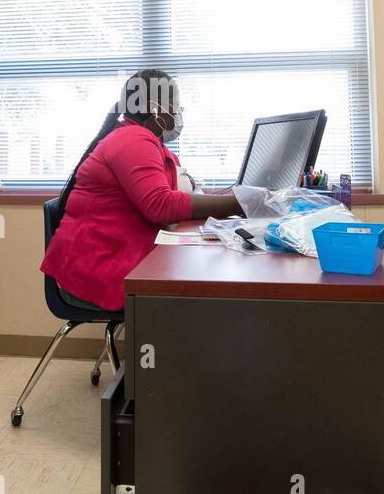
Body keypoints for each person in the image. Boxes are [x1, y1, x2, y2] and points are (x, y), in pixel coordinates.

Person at [40, 69, 242, 312]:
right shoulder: (132, 140)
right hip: (96, 270)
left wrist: (240, 197)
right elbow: (161, 206)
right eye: (177, 107)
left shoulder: (150, 143)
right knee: (204, 293)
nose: (179, 115)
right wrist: (242, 203)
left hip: (110, 259)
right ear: (156, 109)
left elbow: (189, 191)